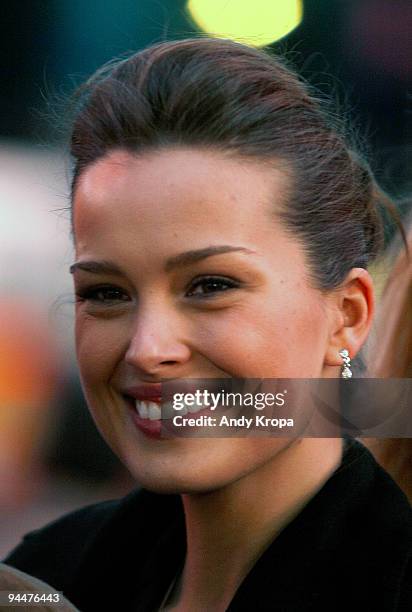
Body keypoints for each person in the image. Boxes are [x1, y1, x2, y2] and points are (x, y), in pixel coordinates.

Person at [3, 38, 411, 611]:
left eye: (211, 286)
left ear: (347, 315)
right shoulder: (42, 580)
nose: (149, 349)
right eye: (106, 293)